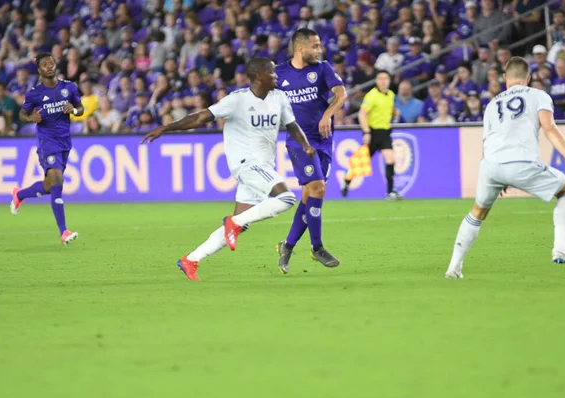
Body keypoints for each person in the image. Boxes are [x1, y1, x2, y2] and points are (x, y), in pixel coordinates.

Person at [140, 58, 315, 281]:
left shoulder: (279, 98)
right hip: (247, 163)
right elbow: (201, 117)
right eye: (272, 72)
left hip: (263, 164)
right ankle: (234, 223)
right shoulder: (237, 100)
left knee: (240, 222)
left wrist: (305, 144)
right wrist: (166, 127)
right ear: (259, 76)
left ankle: (191, 260)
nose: (277, 76)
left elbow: (291, 124)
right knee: (287, 198)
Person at [445, 57, 565, 279]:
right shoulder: (538, 95)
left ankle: (454, 267)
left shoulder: (492, 103)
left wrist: (497, 177)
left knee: (478, 211)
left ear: (505, 78)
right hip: (520, 163)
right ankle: (561, 247)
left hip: (491, 165)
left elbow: (487, 141)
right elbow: (549, 128)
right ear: (528, 78)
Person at [275, 28, 348, 274]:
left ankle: (287, 246)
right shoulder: (279, 74)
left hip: (324, 140)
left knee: (310, 196)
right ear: (300, 49)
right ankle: (317, 247)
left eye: (319, 46)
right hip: (298, 141)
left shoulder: (323, 68)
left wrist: (328, 114)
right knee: (318, 188)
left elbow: (341, 94)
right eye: (315, 46)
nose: (319, 50)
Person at [10, 53, 84, 244]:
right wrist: (31, 118)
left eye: (51, 63)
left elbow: (81, 108)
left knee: (49, 186)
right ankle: (64, 231)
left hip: (64, 142)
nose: (49, 66)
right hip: (47, 142)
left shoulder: (69, 87)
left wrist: (74, 111)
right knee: (57, 180)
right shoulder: (35, 93)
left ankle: (19, 194)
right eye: (45, 64)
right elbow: (22, 114)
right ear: (39, 69)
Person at [342, 70, 402, 200]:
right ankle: (346, 181)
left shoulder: (391, 95)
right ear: (376, 81)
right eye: (380, 79)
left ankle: (390, 192)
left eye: (385, 79)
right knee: (361, 162)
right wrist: (367, 132)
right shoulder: (372, 95)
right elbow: (362, 114)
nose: (383, 81)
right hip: (373, 132)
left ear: (389, 81)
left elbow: (390, 109)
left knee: (390, 159)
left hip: (385, 132)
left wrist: (395, 112)